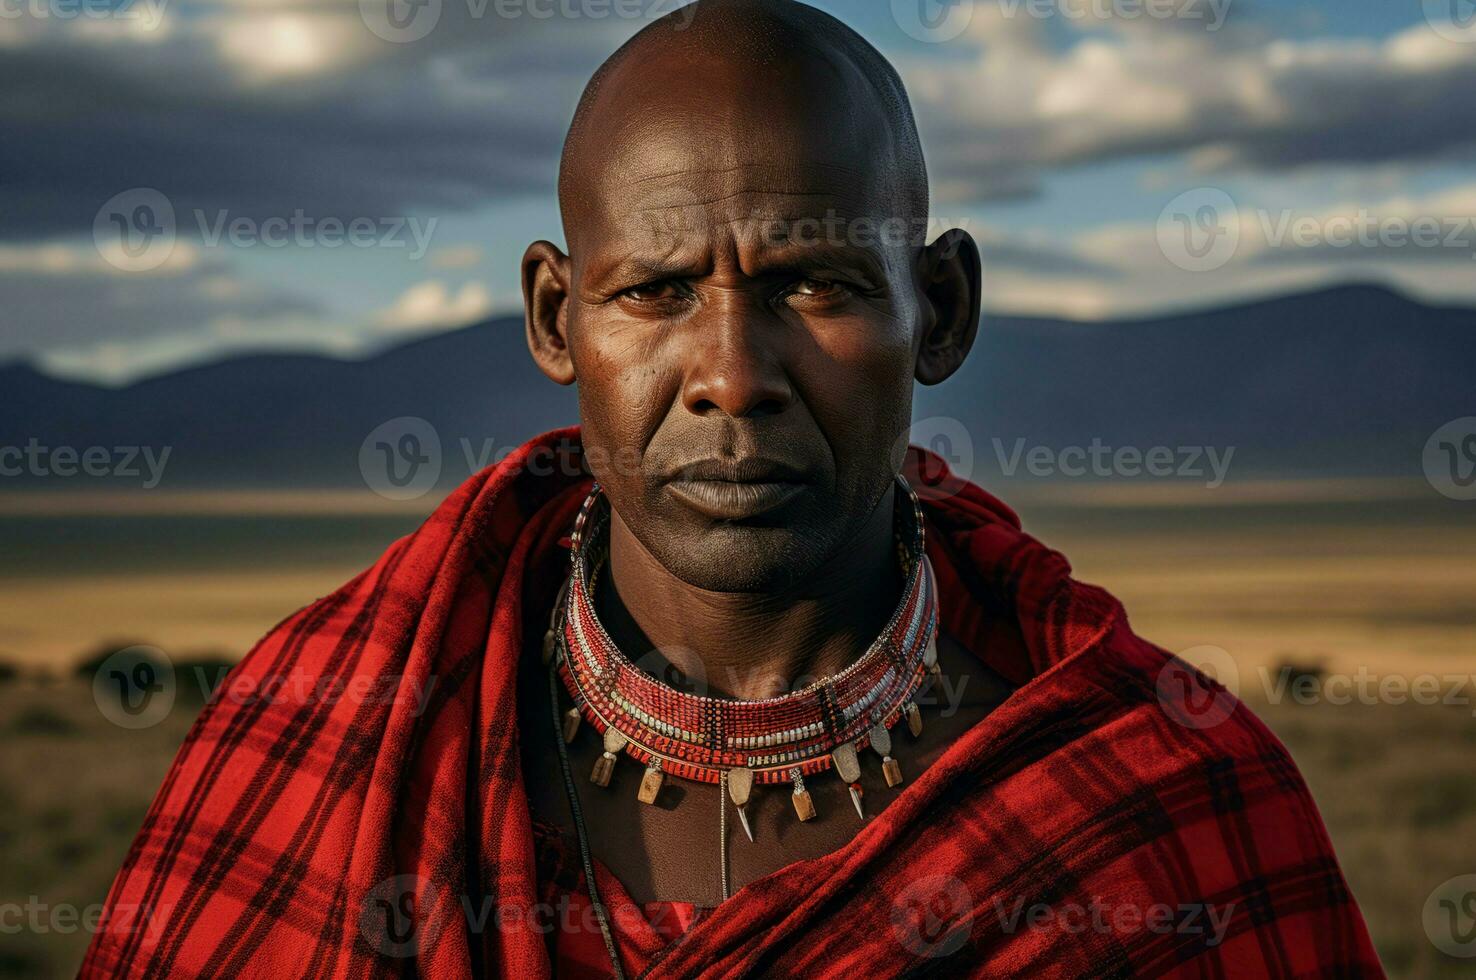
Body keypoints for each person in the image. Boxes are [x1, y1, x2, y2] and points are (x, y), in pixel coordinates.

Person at [81, 1, 1382, 976]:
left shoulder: (1149, 801)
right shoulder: (336, 720)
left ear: (940, 309)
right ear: (554, 316)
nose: (730, 376)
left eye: (815, 284)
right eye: (652, 292)